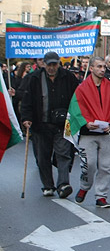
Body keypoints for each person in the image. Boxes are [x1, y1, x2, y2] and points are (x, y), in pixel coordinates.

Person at [17, 50, 77, 198]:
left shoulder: (68, 77)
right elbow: (27, 100)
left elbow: (77, 96)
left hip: (63, 125)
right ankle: (48, 185)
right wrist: (26, 118)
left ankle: (63, 184)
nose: (51, 67)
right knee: (43, 156)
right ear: (43, 64)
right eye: (49, 64)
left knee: (64, 154)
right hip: (40, 124)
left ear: (58, 64)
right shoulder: (34, 78)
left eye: (54, 64)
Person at [72, 57, 110, 208]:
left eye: (104, 67)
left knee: (107, 166)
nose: (102, 70)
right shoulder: (82, 88)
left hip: (106, 134)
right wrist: (86, 123)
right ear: (91, 68)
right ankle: (84, 186)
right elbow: (76, 109)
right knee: (90, 165)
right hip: (88, 134)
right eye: (99, 67)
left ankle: (101, 196)